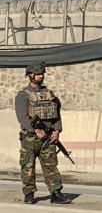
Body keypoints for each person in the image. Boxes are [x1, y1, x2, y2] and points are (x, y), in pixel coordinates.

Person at [15, 63, 70, 205]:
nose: (41, 76)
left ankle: (56, 193)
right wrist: (36, 130)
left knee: (51, 165)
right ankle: (29, 194)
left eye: (42, 74)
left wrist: (57, 130)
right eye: (38, 74)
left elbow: (56, 114)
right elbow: (22, 117)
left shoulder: (50, 94)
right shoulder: (22, 95)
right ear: (30, 75)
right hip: (30, 138)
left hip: (49, 137)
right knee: (27, 166)